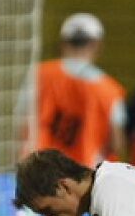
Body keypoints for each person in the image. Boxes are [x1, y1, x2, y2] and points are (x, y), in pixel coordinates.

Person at [27, 12, 126, 168]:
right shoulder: (110, 89)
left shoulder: (39, 74)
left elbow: (23, 121)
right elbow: (116, 142)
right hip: (83, 175)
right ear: (97, 44)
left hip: (39, 171)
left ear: (63, 43)